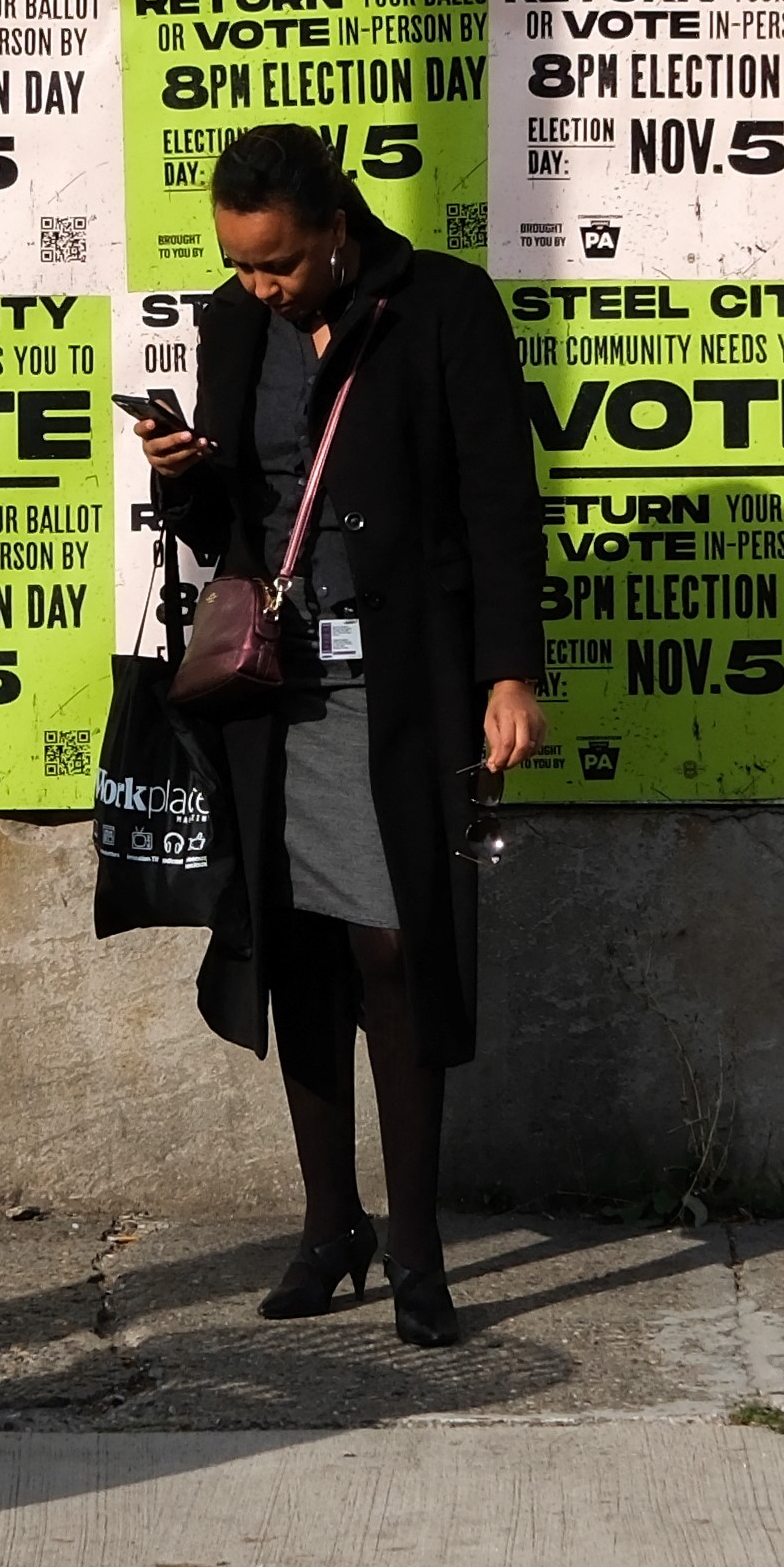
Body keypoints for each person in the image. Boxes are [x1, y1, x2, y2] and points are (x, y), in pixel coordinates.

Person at [131, 124, 542, 1347]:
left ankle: (418, 1251)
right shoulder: (231, 322)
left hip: (398, 686)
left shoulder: (445, 307)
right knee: (298, 952)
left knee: (393, 950)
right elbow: (224, 522)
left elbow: (501, 501)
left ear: (337, 229)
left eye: (281, 266)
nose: (258, 287)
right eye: (241, 266)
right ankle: (330, 1230)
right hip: (272, 688)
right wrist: (177, 469)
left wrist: (511, 671)